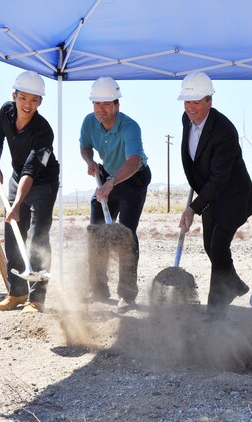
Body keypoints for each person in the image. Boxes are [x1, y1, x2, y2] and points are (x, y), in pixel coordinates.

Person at [177, 72, 252, 321]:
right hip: (209, 195)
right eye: (187, 102)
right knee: (211, 247)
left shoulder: (224, 131)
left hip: (232, 197)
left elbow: (220, 179)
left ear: (209, 101)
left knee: (219, 246)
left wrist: (192, 208)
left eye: (196, 102)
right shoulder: (186, 120)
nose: (191, 108)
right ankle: (233, 282)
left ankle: (216, 311)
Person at [0, 70, 60, 313]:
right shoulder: (5, 112)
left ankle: (37, 298)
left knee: (38, 235)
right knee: (12, 233)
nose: (27, 104)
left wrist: (17, 204)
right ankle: (16, 293)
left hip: (43, 182)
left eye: (34, 99)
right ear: (14, 95)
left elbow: (32, 170)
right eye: (23, 98)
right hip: (17, 177)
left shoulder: (44, 132)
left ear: (40, 101)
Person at [79, 77, 151, 312]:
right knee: (97, 231)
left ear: (117, 105)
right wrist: (91, 162)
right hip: (108, 175)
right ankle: (98, 288)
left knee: (125, 233)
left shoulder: (130, 127)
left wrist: (111, 183)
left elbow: (133, 160)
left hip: (133, 178)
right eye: (97, 104)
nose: (101, 109)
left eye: (107, 104)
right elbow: (85, 146)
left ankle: (127, 296)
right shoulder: (89, 122)